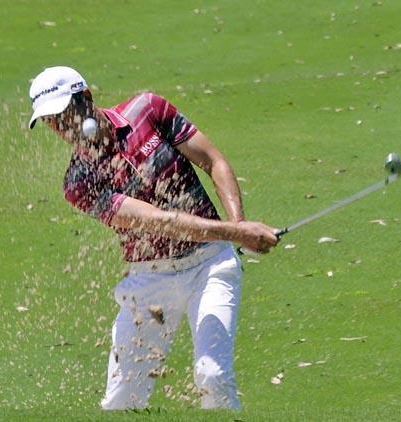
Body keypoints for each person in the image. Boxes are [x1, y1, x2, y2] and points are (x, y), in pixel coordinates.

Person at [27, 66, 279, 410]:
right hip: (149, 280)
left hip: (210, 266)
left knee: (213, 376)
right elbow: (160, 223)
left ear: (86, 98)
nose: (61, 127)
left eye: (64, 114)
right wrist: (237, 232)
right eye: (50, 122)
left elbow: (212, 160)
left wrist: (240, 225)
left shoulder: (148, 109)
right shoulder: (79, 182)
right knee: (121, 402)